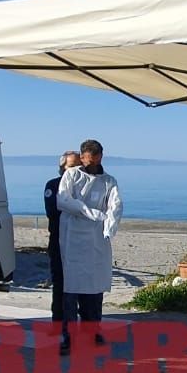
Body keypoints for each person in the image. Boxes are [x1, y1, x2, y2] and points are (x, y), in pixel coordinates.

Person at [55, 140, 121, 354]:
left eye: (95, 160)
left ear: (101, 157)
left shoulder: (109, 181)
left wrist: (109, 226)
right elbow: (64, 200)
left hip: (97, 239)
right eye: (87, 160)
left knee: (95, 287)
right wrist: (89, 212)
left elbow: (115, 205)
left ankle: (93, 329)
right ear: (82, 157)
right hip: (73, 238)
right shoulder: (72, 176)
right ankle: (68, 334)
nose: (91, 164)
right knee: (71, 288)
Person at [44, 151, 82, 325]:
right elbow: (53, 212)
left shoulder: (85, 187)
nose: (75, 171)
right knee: (60, 282)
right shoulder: (53, 185)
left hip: (81, 242)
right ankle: (58, 321)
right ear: (62, 168)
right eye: (71, 166)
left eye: (78, 166)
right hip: (59, 241)